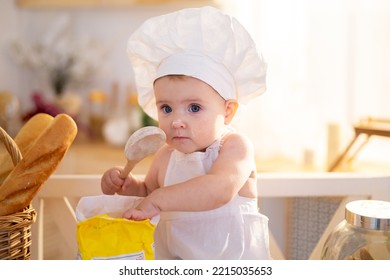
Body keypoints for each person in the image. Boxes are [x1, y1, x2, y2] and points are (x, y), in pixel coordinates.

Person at [101, 6, 271, 260]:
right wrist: (128, 186)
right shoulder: (165, 156)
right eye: (166, 108)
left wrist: (157, 200)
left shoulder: (234, 147)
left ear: (227, 111)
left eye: (194, 108)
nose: (177, 121)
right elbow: (147, 193)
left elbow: (219, 189)